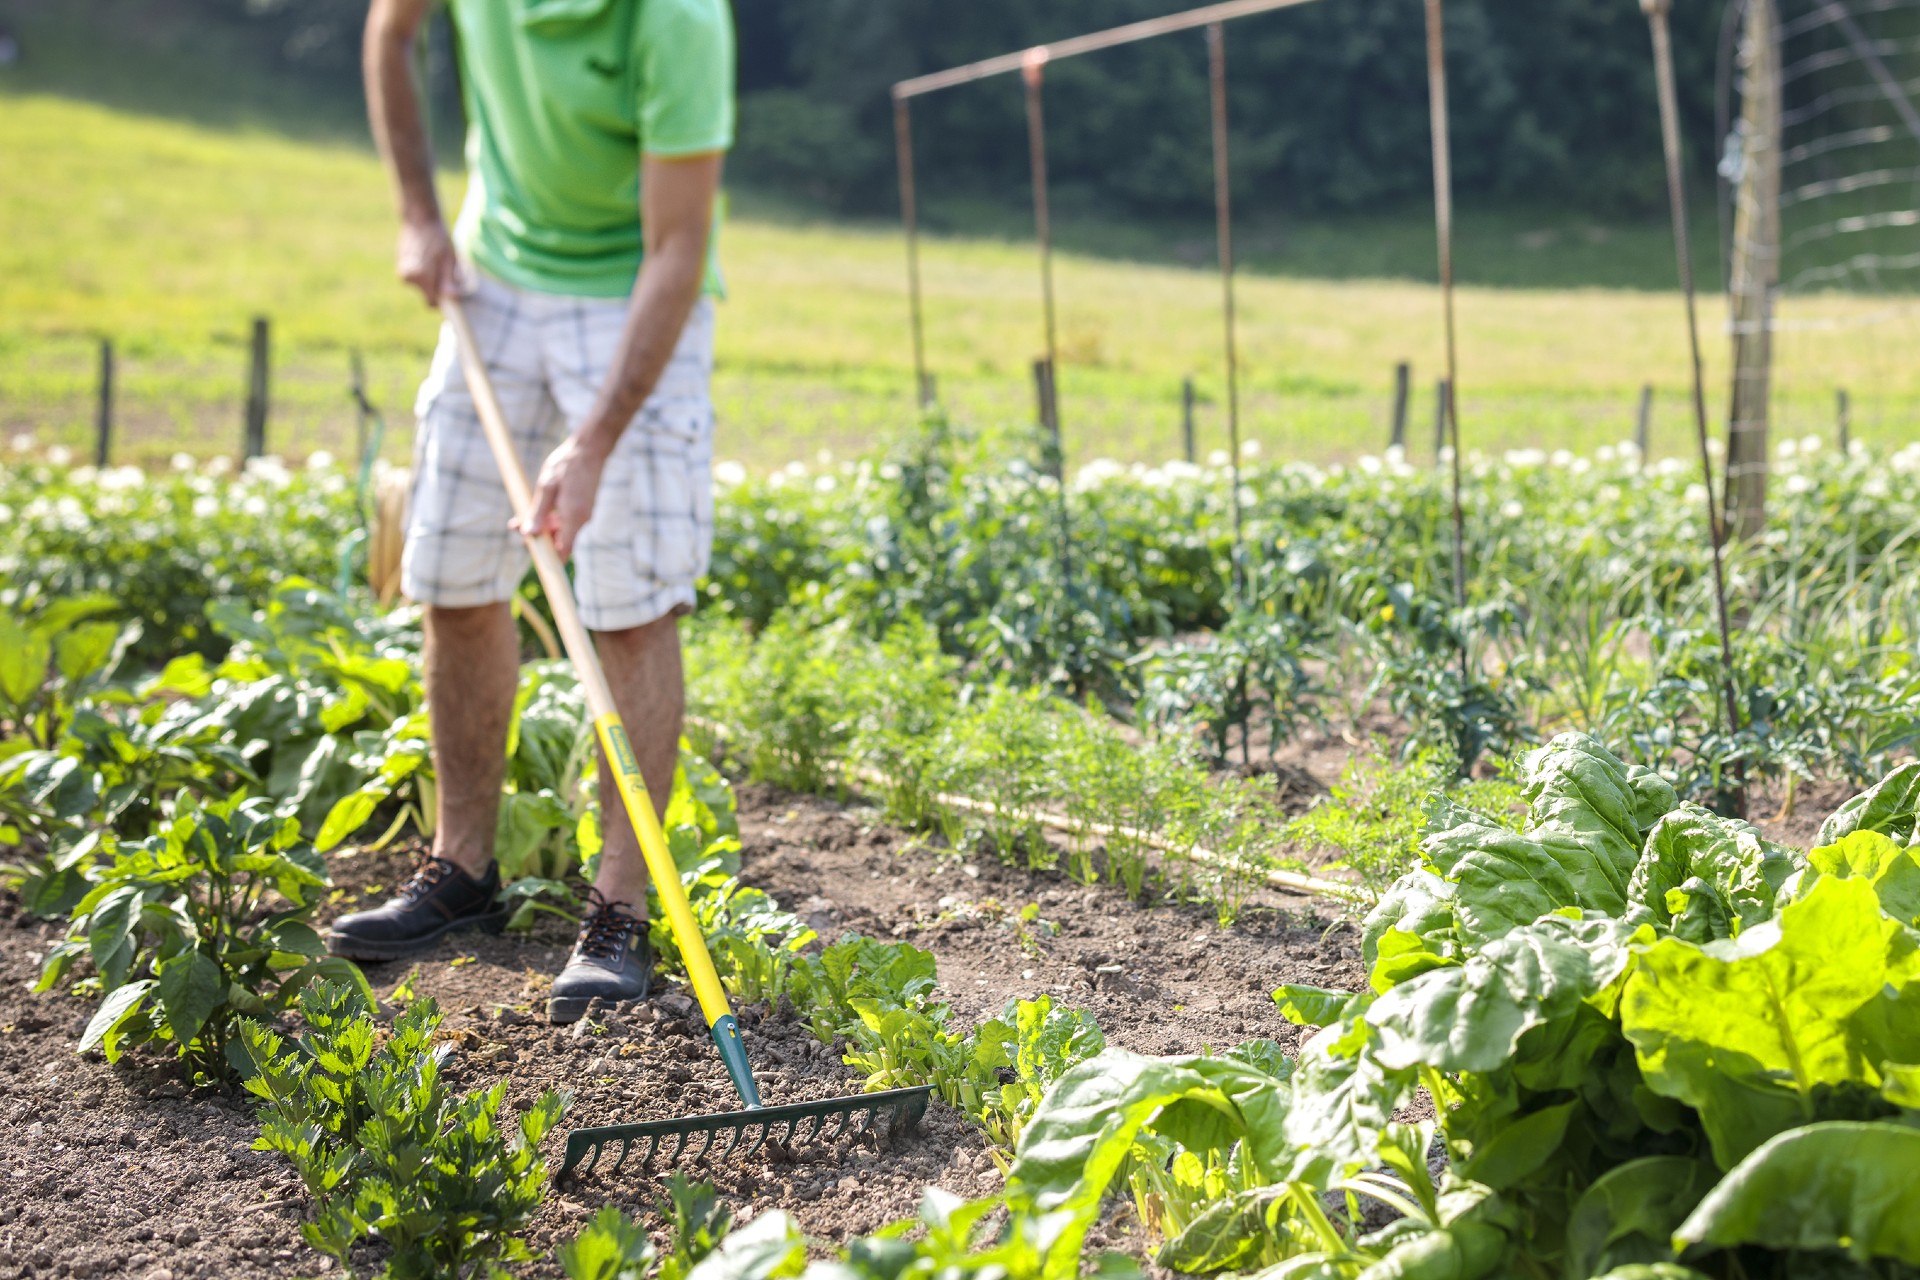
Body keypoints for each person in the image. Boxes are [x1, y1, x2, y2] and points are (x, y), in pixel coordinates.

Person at [326, 0, 734, 1025]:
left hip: (634, 286)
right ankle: (462, 871)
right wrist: (420, 213)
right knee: (453, 579)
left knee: (628, 609)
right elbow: (391, 28)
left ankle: (619, 912)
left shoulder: (679, 21)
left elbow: (677, 248)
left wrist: (591, 442)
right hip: (495, 272)